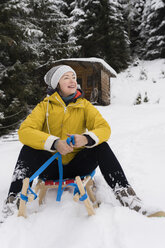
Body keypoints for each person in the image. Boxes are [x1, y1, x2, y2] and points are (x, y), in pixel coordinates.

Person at [2, 65, 159, 218]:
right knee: (28, 148)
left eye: (74, 77)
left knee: (101, 146)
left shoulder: (84, 105)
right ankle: (13, 199)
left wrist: (86, 139)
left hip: (79, 165)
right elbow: (25, 132)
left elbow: (104, 129)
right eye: (66, 77)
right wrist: (55, 142)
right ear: (57, 83)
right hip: (50, 166)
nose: (72, 80)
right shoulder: (45, 107)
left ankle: (126, 195)